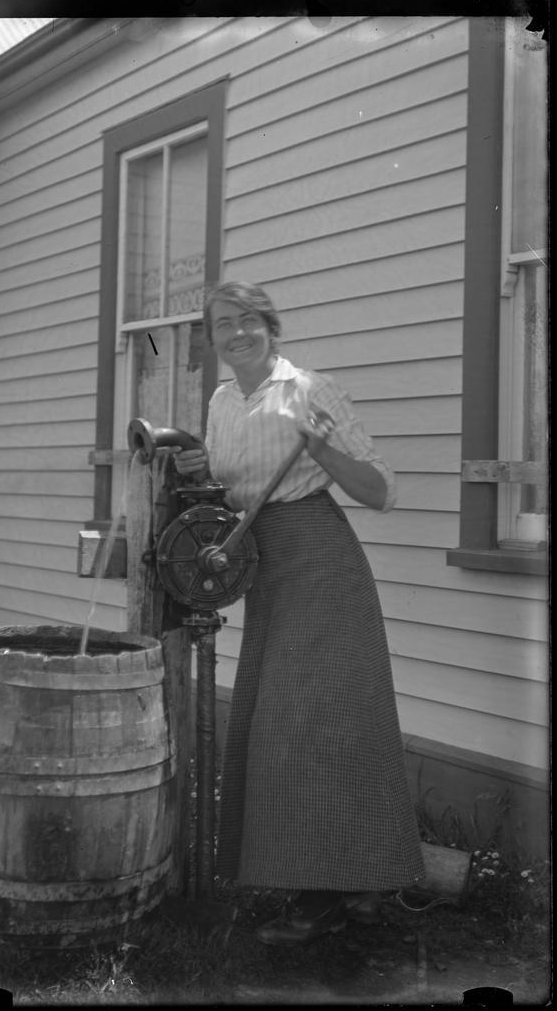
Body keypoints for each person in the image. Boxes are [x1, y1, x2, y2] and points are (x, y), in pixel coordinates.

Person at [173, 280, 424, 945]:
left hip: (320, 562)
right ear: (213, 338)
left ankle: (322, 895)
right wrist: (203, 468)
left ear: (271, 326)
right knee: (301, 722)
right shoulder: (223, 401)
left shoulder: (310, 389)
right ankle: (357, 884)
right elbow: (231, 492)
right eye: (223, 324)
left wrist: (320, 449)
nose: (237, 334)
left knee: (309, 723)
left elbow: (381, 490)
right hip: (264, 567)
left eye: (249, 320)